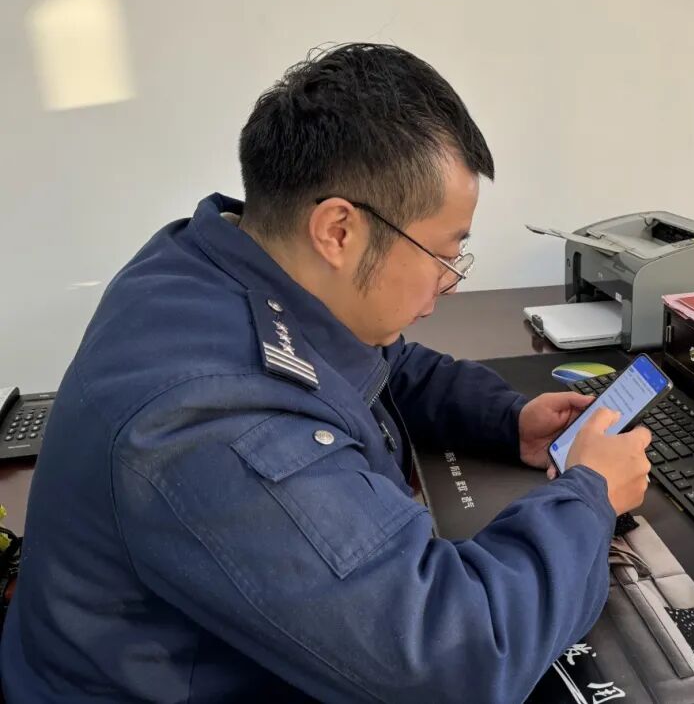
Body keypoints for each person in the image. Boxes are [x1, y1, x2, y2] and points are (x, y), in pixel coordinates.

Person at [0, 44, 653, 703]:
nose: (452, 282)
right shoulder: (214, 422)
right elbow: (456, 660)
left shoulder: (211, 264)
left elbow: (372, 361)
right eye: (445, 253)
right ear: (338, 230)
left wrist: (507, 419)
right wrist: (589, 496)